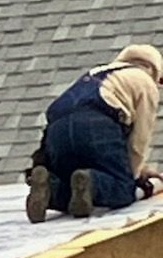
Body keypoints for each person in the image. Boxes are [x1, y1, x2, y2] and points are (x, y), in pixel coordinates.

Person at [26, 43, 163, 223]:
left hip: (57, 128)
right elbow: (139, 140)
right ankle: (93, 184)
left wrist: (145, 169)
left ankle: (51, 189)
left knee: (72, 181)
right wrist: (134, 176)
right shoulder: (144, 81)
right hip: (97, 123)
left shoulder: (98, 73)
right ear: (155, 69)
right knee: (122, 188)